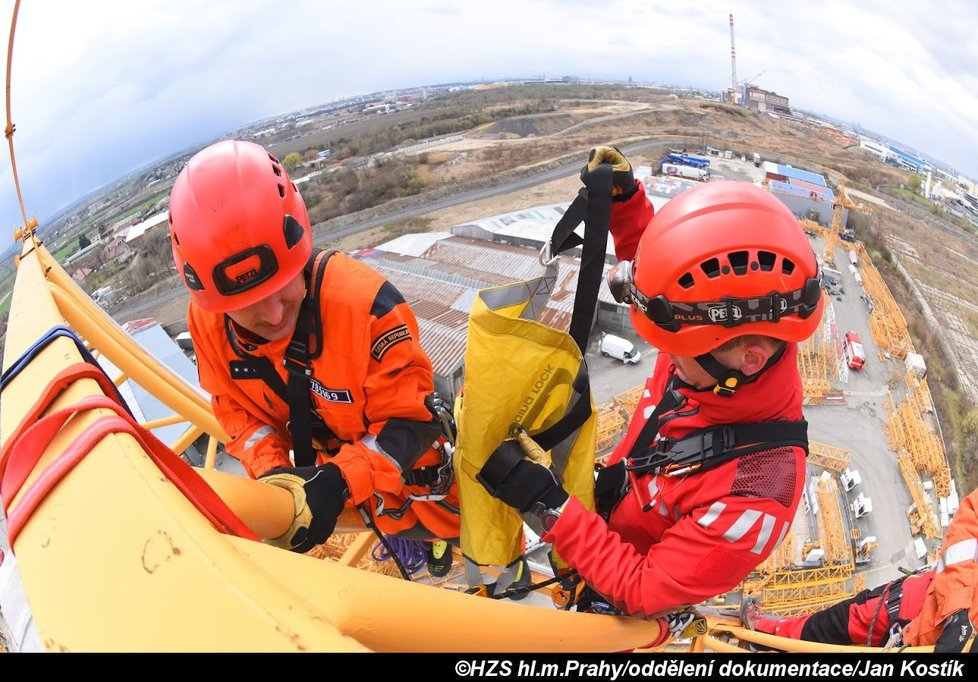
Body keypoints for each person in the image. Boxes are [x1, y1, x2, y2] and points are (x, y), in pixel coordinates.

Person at [479, 146, 824, 618]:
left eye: (674, 349)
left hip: (619, 581)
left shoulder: (759, 493)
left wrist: (547, 506)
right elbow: (666, 281)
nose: (665, 358)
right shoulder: (709, 345)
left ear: (748, 360)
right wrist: (625, 205)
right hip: (616, 505)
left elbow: (643, 589)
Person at [168, 140, 459, 573]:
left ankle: (448, 547)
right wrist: (272, 473)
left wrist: (341, 479)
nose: (272, 314)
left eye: (281, 288)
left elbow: (411, 421)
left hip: (425, 489)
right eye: (248, 305)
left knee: (479, 544)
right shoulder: (208, 323)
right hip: (351, 501)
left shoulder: (367, 309)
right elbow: (235, 413)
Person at [742, 485, 978, 652]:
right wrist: (957, 609)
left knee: (829, 627)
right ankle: (764, 634)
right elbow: (971, 516)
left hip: (918, 624)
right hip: (912, 610)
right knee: (827, 626)